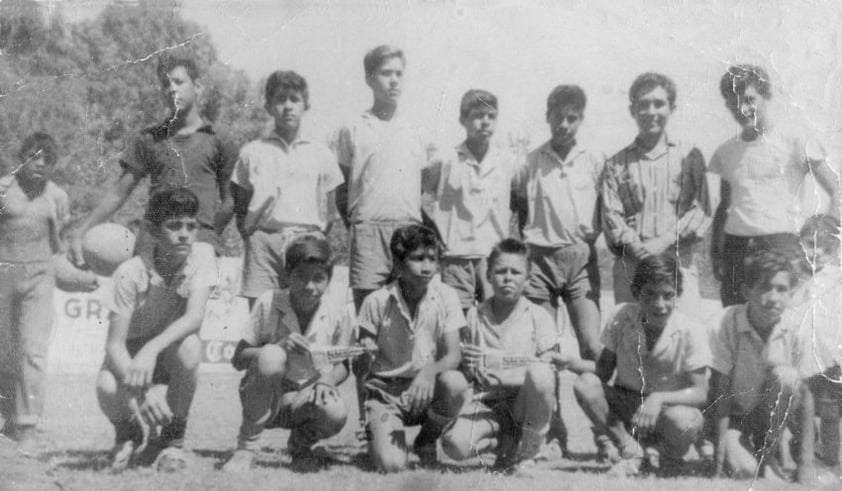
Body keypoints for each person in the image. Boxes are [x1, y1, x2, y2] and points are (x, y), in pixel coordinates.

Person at [440, 238, 591, 475]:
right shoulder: (474, 315)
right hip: (489, 403)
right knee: (455, 445)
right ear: (488, 276)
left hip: (524, 404)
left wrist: (501, 362)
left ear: (528, 279)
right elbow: (470, 374)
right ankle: (504, 445)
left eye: (515, 272)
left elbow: (547, 369)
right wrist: (468, 365)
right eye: (500, 271)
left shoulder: (539, 316)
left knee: (540, 375)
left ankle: (527, 453)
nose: (508, 277)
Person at [69, 54, 239, 262]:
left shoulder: (220, 139)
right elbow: (119, 193)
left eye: (178, 82)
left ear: (198, 86)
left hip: (198, 244)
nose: (172, 89)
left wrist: (209, 235)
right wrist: (82, 230)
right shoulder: (149, 138)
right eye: (165, 84)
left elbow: (230, 201)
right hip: (153, 245)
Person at [95, 188, 218, 472]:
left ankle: (172, 443)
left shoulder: (203, 254)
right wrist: (144, 390)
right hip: (133, 352)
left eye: (191, 225)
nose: (185, 233)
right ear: (152, 230)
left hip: (163, 350)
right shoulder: (130, 272)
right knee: (106, 385)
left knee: (190, 347)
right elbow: (114, 346)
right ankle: (128, 436)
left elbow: (194, 318)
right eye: (174, 226)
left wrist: (153, 348)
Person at [513, 84, 604, 455]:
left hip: (581, 259)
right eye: (558, 116)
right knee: (545, 348)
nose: (564, 124)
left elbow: (607, 208)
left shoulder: (594, 158)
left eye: (572, 117)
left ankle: (605, 430)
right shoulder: (530, 161)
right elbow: (518, 207)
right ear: (547, 115)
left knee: (591, 344)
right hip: (539, 260)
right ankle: (552, 430)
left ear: (581, 119)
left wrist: (591, 236)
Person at [710, 64, 840, 306]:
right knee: (736, 324)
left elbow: (836, 190)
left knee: (780, 325)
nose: (743, 109)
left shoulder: (796, 140)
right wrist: (716, 254)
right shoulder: (726, 152)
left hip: (781, 247)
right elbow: (724, 207)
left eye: (750, 99)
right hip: (736, 248)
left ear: (766, 95)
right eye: (734, 103)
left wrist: (827, 237)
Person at [221, 235, 353, 473]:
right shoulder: (269, 301)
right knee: (272, 356)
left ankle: (303, 443)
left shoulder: (337, 310)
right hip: (268, 396)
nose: (309, 286)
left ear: (329, 280)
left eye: (318, 278)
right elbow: (238, 359)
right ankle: (246, 448)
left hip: (305, 398)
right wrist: (278, 346)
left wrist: (327, 379)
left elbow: (343, 363)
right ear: (287, 276)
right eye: (300, 276)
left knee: (336, 411)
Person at [574, 253, 709, 477]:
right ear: (636, 293)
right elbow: (603, 372)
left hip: (666, 411)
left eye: (668, 295)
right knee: (585, 384)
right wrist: (572, 364)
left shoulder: (691, 330)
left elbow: (700, 391)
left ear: (679, 295)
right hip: (627, 405)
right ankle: (630, 450)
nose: (659, 304)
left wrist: (658, 399)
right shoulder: (621, 316)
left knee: (687, 418)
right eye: (650, 295)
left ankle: (668, 457)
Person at [356, 224, 468, 472]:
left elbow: (453, 354)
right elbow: (360, 368)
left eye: (432, 258)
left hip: (425, 390)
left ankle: (426, 440)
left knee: (456, 383)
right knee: (392, 465)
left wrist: (428, 373)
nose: (427, 267)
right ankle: (378, 433)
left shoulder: (446, 295)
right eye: (418, 258)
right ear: (397, 264)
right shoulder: (375, 302)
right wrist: (365, 353)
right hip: (385, 393)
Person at [227, 70, 342, 306]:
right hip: (264, 244)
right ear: (268, 106)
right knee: (261, 314)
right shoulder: (253, 152)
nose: (288, 106)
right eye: (280, 100)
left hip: (306, 241)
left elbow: (331, 210)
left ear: (305, 105)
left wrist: (314, 237)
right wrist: (254, 236)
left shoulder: (321, 154)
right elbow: (240, 203)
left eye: (294, 99)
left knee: (305, 314)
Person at [601, 72, 711, 307]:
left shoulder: (689, 155)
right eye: (643, 105)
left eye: (659, 104)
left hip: (678, 263)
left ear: (672, 108)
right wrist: (637, 246)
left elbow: (701, 209)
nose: (651, 112)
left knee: (684, 335)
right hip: (632, 265)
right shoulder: (615, 163)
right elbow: (611, 215)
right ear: (633, 111)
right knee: (632, 337)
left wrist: (664, 241)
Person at [334, 45, 430, 311]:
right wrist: (359, 223)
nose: (394, 80)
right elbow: (341, 189)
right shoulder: (352, 127)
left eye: (399, 73)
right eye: (386, 73)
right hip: (368, 231)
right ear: (369, 78)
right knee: (368, 315)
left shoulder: (416, 129)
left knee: (410, 312)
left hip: (408, 230)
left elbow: (420, 186)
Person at [0, 133, 70, 456]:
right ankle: (7, 419)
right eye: (33, 156)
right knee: (4, 350)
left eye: (47, 159)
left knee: (33, 351)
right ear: (22, 157)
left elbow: (60, 245)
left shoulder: (57, 196)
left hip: (40, 276)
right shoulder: (3, 188)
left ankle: (28, 427)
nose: (39, 164)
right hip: (4, 273)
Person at [708, 249, 801, 480]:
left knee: (786, 376)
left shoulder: (796, 326)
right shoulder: (725, 322)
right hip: (737, 419)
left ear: (791, 293)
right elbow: (720, 390)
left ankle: (771, 451)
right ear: (747, 291)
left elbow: (805, 394)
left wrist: (807, 462)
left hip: (775, 422)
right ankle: (753, 455)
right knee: (745, 471)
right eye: (764, 287)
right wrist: (719, 458)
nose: (773, 297)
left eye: (781, 289)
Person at [425, 89, 520, 312]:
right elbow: (421, 195)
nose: (485, 122)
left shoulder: (507, 162)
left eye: (491, 116)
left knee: (494, 322)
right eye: (478, 116)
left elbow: (517, 198)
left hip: (493, 256)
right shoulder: (446, 160)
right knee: (457, 323)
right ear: (463, 119)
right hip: (456, 257)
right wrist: (435, 233)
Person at [789, 215, 842, 483]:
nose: (818, 252)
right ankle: (805, 457)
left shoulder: (837, 278)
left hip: (831, 355)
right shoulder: (793, 276)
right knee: (802, 409)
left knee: (831, 411)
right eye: (811, 244)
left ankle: (832, 461)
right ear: (800, 245)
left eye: (826, 248)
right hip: (802, 356)